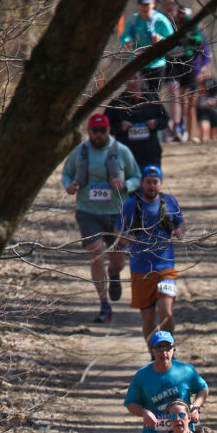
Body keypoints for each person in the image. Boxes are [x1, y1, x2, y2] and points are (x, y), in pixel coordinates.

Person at [61, 113, 141, 323]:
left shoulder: (122, 151)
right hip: (88, 212)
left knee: (117, 259)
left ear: (109, 131)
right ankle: (104, 303)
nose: (98, 135)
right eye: (94, 131)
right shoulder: (79, 152)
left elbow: (137, 177)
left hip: (116, 212)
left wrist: (126, 185)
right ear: (88, 132)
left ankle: (114, 273)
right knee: (95, 253)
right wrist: (69, 186)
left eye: (102, 131)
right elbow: (66, 174)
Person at [124, 328, 208, 433]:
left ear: (173, 349)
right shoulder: (143, 376)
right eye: (159, 348)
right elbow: (130, 402)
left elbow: (203, 389)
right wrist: (144, 412)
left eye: (167, 348)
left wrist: (195, 406)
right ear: (152, 351)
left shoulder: (185, 371)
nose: (164, 353)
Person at [115, 164, 184, 342]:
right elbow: (117, 232)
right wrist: (125, 238)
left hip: (165, 267)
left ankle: (169, 350)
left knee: (166, 312)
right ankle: (154, 356)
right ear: (141, 183)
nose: (152, 186)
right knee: (148, 319)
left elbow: (180, 223)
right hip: (140, 270)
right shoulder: (130, 205)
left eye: (155, 182)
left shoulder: (170, 202)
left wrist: (178, 232)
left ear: (161, 183)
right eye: (148, 182)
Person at [161, 0, 205, 142]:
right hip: (170, 60)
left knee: (185, 96)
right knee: (174, 93)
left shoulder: (185, 19)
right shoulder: (161, 20)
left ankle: (183, 126)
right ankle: (176, 126)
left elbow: (199, 38)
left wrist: (187, 40)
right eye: (166, 4)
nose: (169, 6)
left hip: (186, 59)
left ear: (177, 6)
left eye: (172, 3)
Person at [104, 76, 169, 176]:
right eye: (129, 79)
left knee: (151, 187)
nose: (132, 82)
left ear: (141, 79)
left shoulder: (152, 99)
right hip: (126, 156)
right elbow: (105, 128)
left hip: (150, 154)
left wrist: (156, 123)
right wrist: (120, 127)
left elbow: (165, 120)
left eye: (135, 78)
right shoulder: (117, 103)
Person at [119, 0, 175, 94]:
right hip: (136, 63)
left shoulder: (161, 21)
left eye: (147, 4)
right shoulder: (132, 21)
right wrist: (126, 42)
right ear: (138, 5)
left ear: (153, 3)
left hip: (156, 64)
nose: (144, 8)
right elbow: (123, 37)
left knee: (153, 96)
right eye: (142, 4)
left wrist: (160, 39)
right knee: (135, 94)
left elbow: (173, 41)